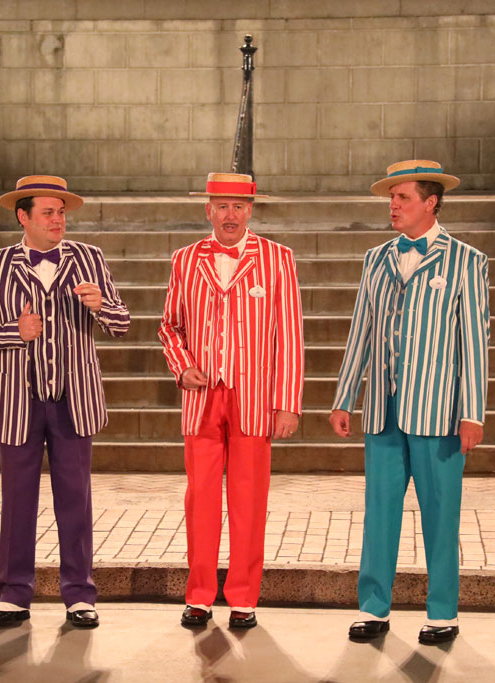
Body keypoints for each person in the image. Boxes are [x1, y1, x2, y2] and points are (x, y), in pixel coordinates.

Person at [0, 175, 130, 630]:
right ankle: (14, 593)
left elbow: (122, 321)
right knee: (17, 500)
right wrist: (13, 333)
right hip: (18, 402)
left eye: (62, 213)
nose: (58, 221)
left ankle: (79, 593)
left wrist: (100, 307)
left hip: (75, 400)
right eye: (48, 213)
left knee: (75, 498)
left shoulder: (89, 259)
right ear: (24, 217)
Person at [330, 159, 490, 645]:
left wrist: (472, 412)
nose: (393, 206)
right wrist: (344, 397)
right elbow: (361, 331)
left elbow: (476, 343)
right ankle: (374, 608)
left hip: (440, 412)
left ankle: (442, 613)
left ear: (431, 201)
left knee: (441, 513)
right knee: (379, 511)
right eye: (391, 198)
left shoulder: (466, 260)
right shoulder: (376, 258)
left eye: (402, 198)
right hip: (382, 409)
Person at [159, 172, 304, 630]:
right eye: (222, 206)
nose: (230, 215)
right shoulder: (186, 260)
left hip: (256, 400)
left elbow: (290, 336)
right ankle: (199, 595)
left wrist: (287, 402)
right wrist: (182, 367)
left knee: (249, 500)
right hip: (203, 400)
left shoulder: (278, 259)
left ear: (251, 211)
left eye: (239, 207)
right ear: (208, 210)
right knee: (200, 500)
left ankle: (243, 597)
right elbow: (169, 326)